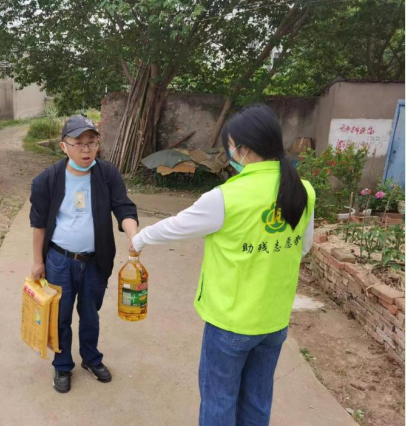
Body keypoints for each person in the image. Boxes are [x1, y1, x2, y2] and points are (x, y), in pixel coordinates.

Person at [132, 105, 315, 425]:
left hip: (231, 322)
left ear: (243, 149)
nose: (229, 153)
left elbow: (176, 227)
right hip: (274, 321)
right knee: (257, 401)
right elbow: (304, 247)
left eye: (230, 146)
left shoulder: (226, 197)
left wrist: (139, 239)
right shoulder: (304, 190)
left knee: (219, 401)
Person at [30, 115, 138, 394]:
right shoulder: (48, 179)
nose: (87, 149)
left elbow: (124, 207)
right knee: (60, 316)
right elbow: (38, 223)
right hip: (59, 260)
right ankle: (62, 364)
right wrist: (38, 261)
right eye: (78, 143)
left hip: (95, 261)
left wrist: (133, 234)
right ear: (63, 146)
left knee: (90, 314)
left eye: (92, 142)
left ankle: (90, 358)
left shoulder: (107, 174)